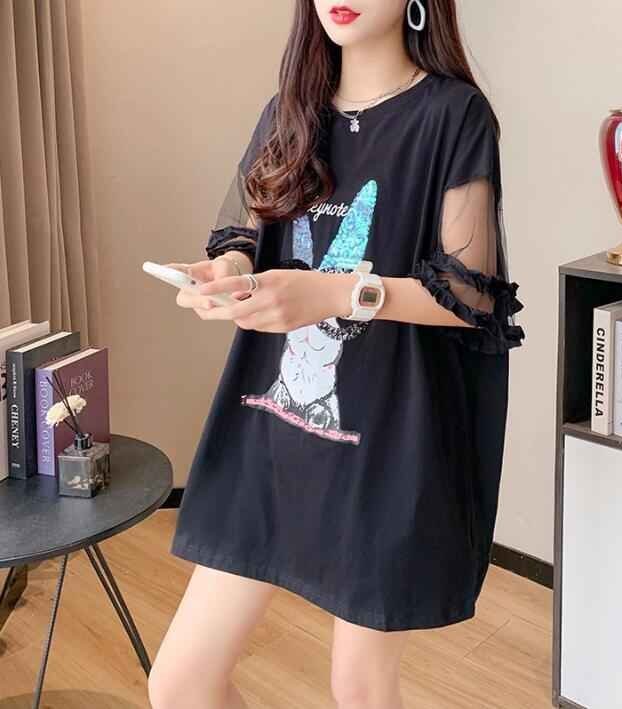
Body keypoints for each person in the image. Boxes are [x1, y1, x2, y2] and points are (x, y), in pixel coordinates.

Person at [149, 1, 526, 707]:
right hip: (268, 433)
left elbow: (469, 295)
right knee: (179, 683)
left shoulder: (452, 115)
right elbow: (244, 233)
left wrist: (333, 294)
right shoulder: (286, 113)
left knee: (358, 686)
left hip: (384, 442)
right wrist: (226, 272)